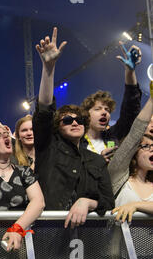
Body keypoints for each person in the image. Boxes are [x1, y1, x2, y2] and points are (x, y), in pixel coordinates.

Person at [33, 27, 114, 228]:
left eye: (79, 120)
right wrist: (48, 69)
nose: (75, 122)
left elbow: (108, 201)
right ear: (57, 127)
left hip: (89, 239)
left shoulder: (96, 160)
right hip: (49, 235)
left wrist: (87, 202)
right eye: (67, 121)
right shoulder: (48, 147)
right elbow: (44, 109)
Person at [0, 119, 44, 251]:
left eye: (6, 134)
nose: (5, 136)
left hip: (16, 243)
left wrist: (16, 229)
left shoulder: (24, 171)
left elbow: (38, 202)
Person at [80, 43, 142, 162]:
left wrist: (130, 72)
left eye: (107, 110)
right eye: (98, 109)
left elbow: (130, 110)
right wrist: (98, 162)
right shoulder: (76, 142)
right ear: (86, 114)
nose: (104, 112)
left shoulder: (113, 136)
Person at [108, 84, 153, 222]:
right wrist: (152, 100)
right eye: (146, 146)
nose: (152, 149)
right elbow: (134, 135)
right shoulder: (119, 175)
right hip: (119, 243)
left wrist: (136, 205)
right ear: (134, 151)